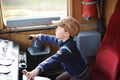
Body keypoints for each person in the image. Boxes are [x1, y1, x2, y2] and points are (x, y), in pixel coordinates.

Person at [23, 16, 91, 80]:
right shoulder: (64, 40)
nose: (56, 29)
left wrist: (38, 69)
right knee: (57, 79)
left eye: (59, 28)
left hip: (80, 75)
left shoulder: (67, 49)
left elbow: (53, 59)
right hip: (72, 70)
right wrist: (37, 36)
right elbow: (51, 38)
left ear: (67, 34)